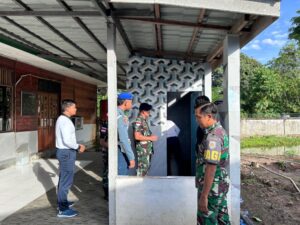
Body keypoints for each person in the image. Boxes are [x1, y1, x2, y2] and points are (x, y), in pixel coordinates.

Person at [194, 102, 230, 225]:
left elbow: (211, 168)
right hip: (219, 186)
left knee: (206, 219)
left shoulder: (212, 138)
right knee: (221, 219)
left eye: (199, 117)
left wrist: (204, 196)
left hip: (211, 189)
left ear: (209, 116)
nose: (197, 120)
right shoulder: (220, 131)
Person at [55, 99, 86, 218]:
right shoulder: (65, 121)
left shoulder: (63, 119)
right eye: (74, 107)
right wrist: (78, 147)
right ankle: (62, 209)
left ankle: (62, 203)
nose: (76, 109)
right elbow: (67, 140)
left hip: (65, 152)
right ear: (67, 108)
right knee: (66, 181)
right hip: (66, 152)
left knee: (64, 179)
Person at [133, 103, 158, 176]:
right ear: (143, 111)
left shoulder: (143, 121)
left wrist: (150, 136)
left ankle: (143, 186)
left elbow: (143, 134)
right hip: (143, 151)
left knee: (145, 170)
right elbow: (137, 136)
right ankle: (139, 186)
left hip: (146, 151)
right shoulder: (139, 120)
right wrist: (150, 138)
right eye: (148, 111)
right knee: (142, 171)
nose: (149, 113)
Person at [117, 92, 135, 175]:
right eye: (131, 101)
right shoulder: (119, 115)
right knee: (122, 175)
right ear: (126, 102)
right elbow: (123, 138)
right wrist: (131, 157)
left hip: (120, 148)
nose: (132, 103)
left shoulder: (120, 113)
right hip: (120, 149)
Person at [99, 118, 109, 200]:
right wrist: (111, 146)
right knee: (106, 172)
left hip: (116, 153)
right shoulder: (105, 125)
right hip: (107, 153)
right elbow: (101, 141)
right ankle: (107, 194)